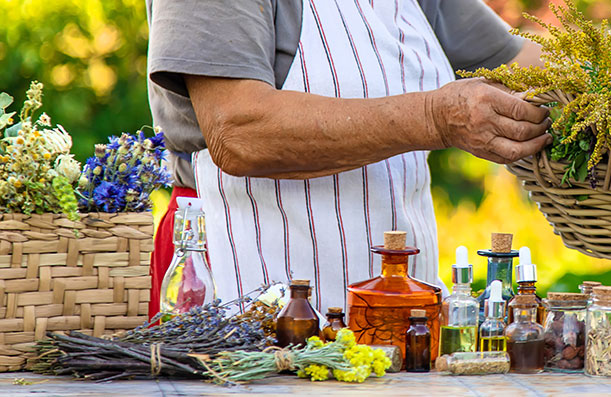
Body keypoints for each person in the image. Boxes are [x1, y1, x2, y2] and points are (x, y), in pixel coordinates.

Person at [146, 0, 550, 317]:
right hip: (241, 275)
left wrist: (606, 80)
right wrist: (434, 118)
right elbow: (239, 132)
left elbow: (521, 66)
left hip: (399, 294)